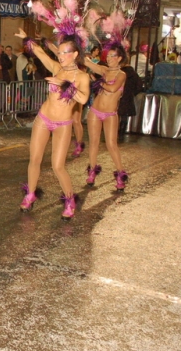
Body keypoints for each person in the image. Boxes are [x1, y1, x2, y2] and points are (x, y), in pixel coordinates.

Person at [15, 29, 90, 220]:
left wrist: (64, 84)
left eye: (65, 52)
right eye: (60, 52)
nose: (61, 55)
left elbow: (82, 99)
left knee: (58, 166)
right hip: (44, 118)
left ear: (74, 54)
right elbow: (40, 53)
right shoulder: (57, 68)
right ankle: (30, 194)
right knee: (35, 159)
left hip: (63, 123)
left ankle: (70, 199)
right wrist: (27, 38)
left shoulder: (82, 77)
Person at [83, 45, 129, 191]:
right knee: (94, 142)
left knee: (111, 144)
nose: (108, 59)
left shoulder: (121, 74)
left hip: (110, 114)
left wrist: (97, 81)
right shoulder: (104, 70)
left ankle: (121, 176)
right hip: (95, 111)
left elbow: (113, 88)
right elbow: (87, 63)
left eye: (112, 56)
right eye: (107, 56)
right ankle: (92, 172)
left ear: (119, 58)